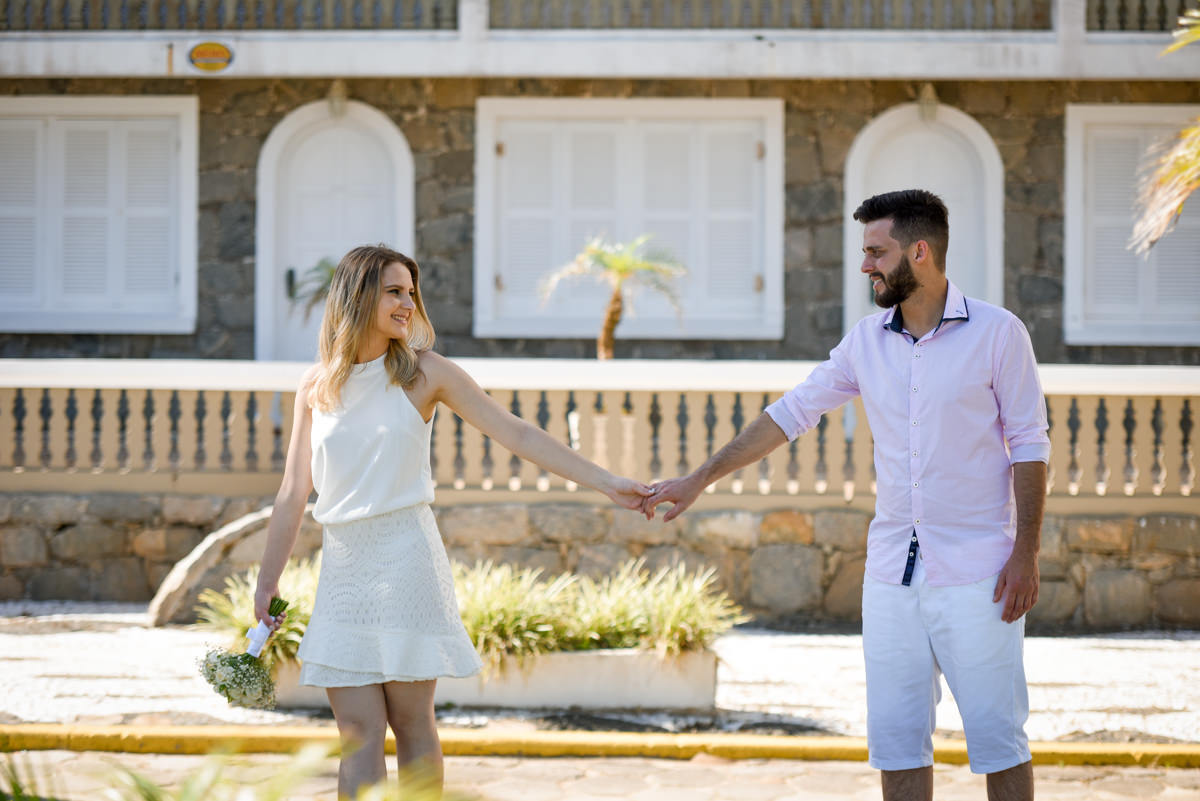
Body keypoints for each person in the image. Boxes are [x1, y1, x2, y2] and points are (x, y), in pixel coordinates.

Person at [643, 189, 1048, 801]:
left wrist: (1025, 554)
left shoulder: (999, 334)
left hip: (979, 573)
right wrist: (699, 478)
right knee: (898, 744)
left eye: (876, 252)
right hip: (890, 576)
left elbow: (1029, 444)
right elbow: (790, 413)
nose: (866, 266)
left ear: (920, 252)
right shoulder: (865, 341)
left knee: (998, 741)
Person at [253, 244, 652, 799]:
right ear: (359, 294)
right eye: (394, 291)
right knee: (357, 733)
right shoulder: (316, 385)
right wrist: (266, 583)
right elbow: (294, 491)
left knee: (411, 724)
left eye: (411, 293)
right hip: (342, 571)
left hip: (407, 561)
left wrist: (608, 482)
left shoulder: (425, 373)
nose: (407, 304)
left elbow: (518, 434)